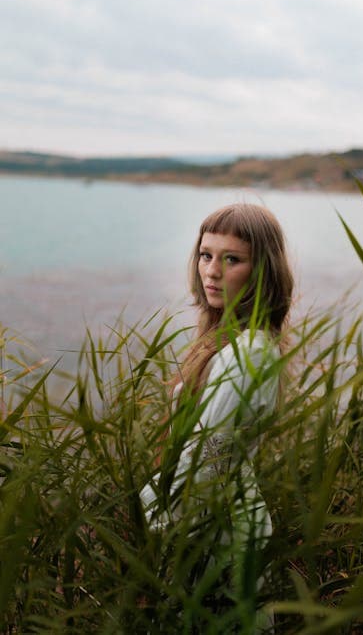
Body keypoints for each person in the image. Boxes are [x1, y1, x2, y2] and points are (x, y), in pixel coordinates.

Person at [140, 203, 293, 629]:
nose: (211, 271)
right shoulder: (235, 341)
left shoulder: (246, 356)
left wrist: (141, 519)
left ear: (262, 270)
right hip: (213, 527)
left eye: (232, 259)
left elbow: (204, 468)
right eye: (206, 255)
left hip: (218, 536)